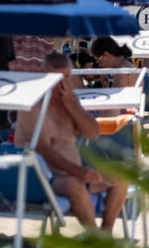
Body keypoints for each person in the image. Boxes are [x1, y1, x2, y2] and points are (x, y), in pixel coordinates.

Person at [14, 52, 128, 233]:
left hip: (74, 174)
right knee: (73, 184)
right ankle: (94, 237)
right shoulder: (33, 105)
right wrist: (79, 171)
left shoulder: (69, 100)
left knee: (123, 172)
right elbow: (43, 148)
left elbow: (92, 133)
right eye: (55, 78)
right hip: (42, 179)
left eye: (66, 77)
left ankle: (106, 232)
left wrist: (72, 106)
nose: (61, 84)